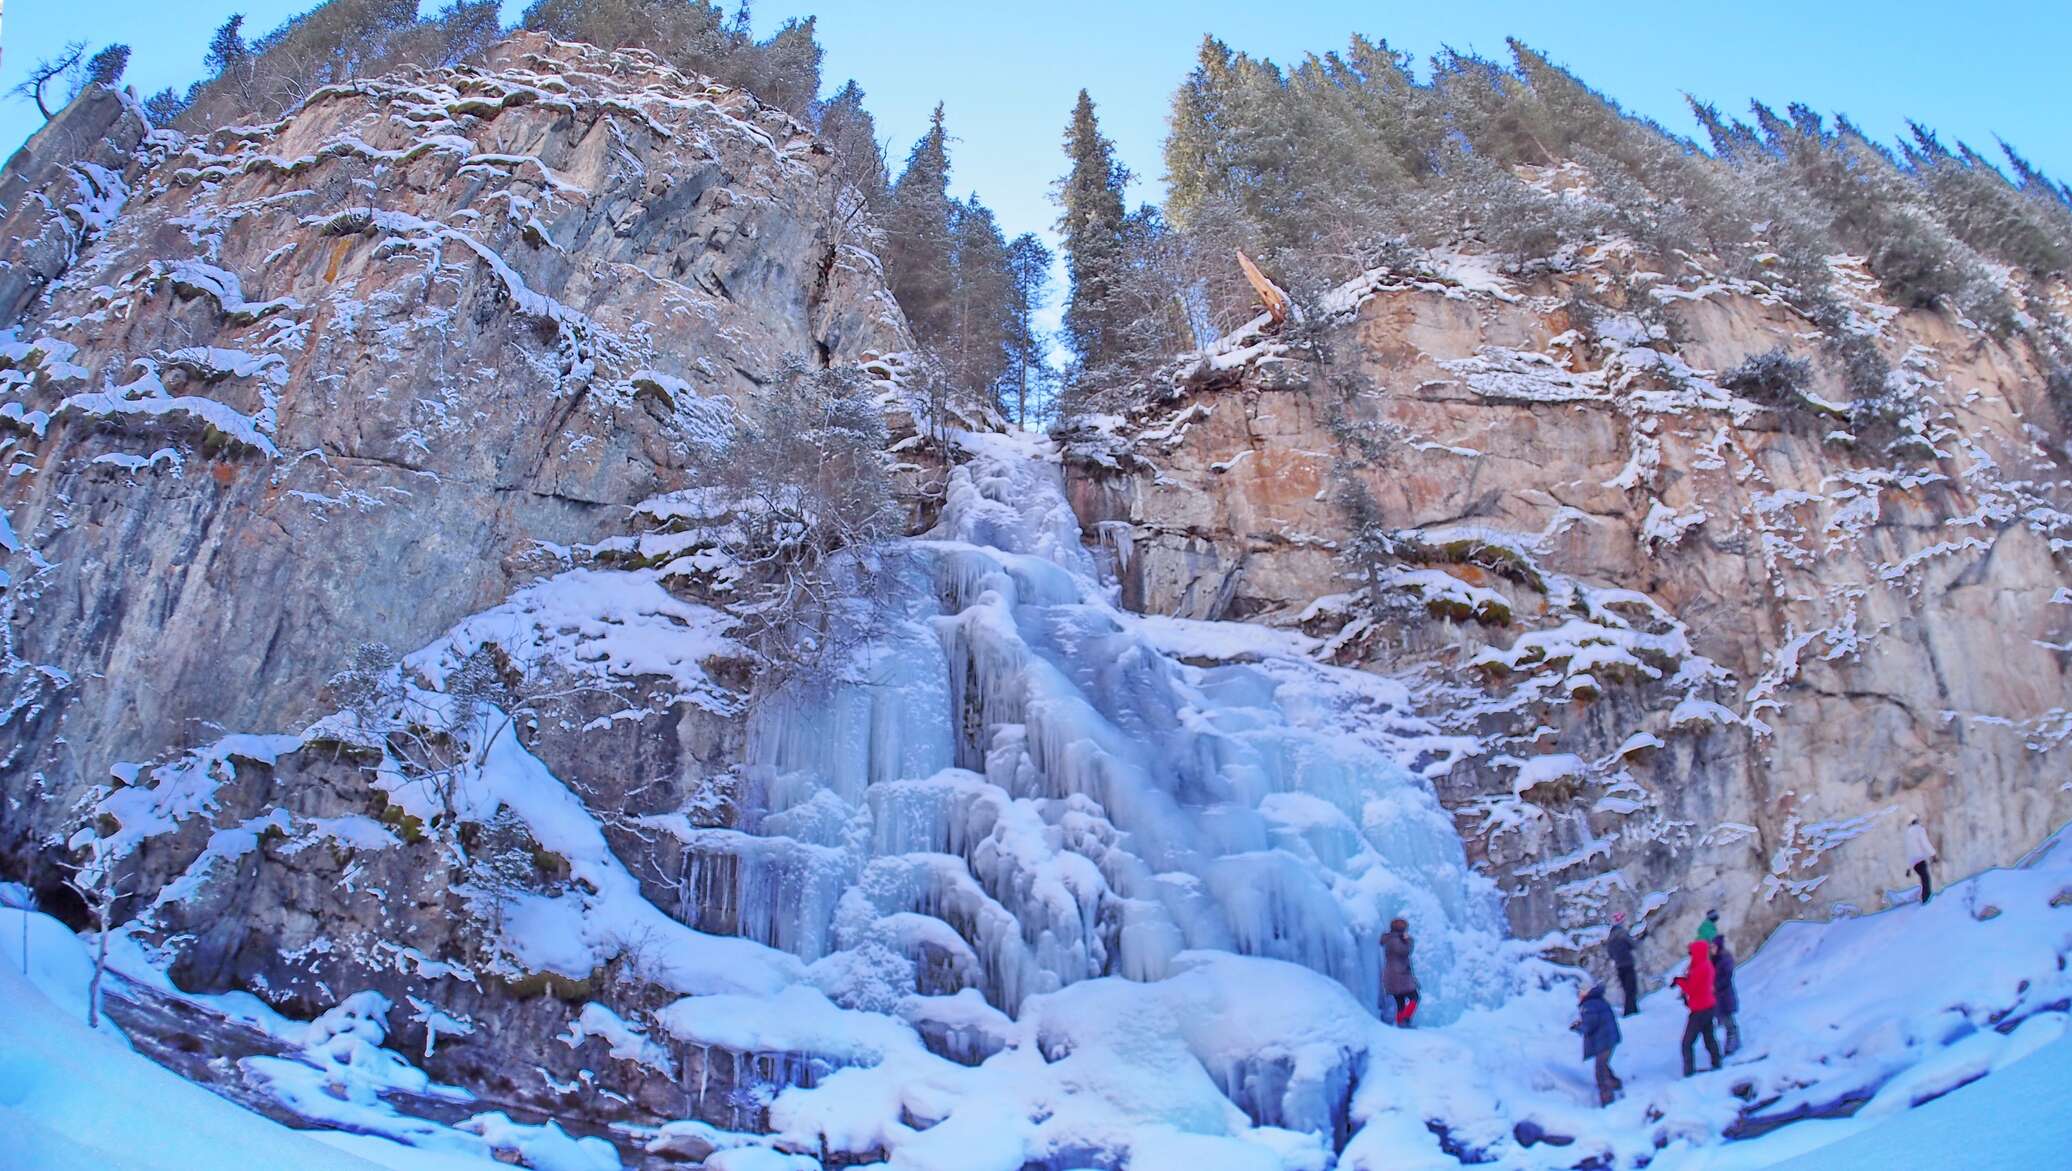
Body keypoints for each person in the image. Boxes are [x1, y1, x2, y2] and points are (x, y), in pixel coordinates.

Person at [1674, 940, 1723, 1077]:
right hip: (1709, 1006)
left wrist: (1679, 981)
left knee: (1687, 1043)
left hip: (1699, 1010)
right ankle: (1717, 1062)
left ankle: (1689, 1072)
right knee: (1709, 1037)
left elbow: (1691, 989)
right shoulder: (1705, 965)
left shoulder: (1700, 968)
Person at [1575, 982, 1623, 1106]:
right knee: (1603, 1064)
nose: (1578, 995)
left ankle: (1607, 1099)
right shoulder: (1598, 1000)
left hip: (1603, 1040)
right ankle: (1615, 1083)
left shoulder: (1588, 1005)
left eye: (1580, 992)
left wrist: (1578, 1027)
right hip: (1609, 1038)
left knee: (1600, 1071)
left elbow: (1590, 1024)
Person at [1382, 918, 1419, 1027]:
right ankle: (1405, 1020)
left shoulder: (1390, 939)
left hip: (1394, 977)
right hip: (1399, 977)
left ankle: (1401, 1023)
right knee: (1414, 997)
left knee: (1400, 1002)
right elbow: (1405, 951)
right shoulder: (1395, 940)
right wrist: (1409, 940)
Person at [1605, 913, 1639, 1017]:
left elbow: (1610, 954)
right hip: (1628, 963)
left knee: (1626, 988)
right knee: (1631, 988)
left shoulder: (1609, 939)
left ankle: (1631, 1009)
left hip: (1619, 966)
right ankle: (1630, 1011)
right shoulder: (1622, 934)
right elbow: (1633, 945)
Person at [1711, 935, 1740, 1056]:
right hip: (1718, 996)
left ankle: (1734, 1041)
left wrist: (1715, 985)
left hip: (1725, 995)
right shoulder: (1714, 959)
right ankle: (1731, 1041)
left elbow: (1727, 976)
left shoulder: (1724, 958)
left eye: (1713, 946)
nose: (1711, 949)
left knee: (1728, 1019)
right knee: (1724, 1018)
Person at [1905, 817, 1938, 904]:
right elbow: (1925, 843)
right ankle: (1926, 900)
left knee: (1924, 879)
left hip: (1914, 863)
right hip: (1920, 859)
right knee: (1926, 880)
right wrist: (1933, 854)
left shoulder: (1908, 834)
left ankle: (1925, 898)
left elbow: (1909, 851)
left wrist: (1909, 868)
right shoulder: (1919, 830)